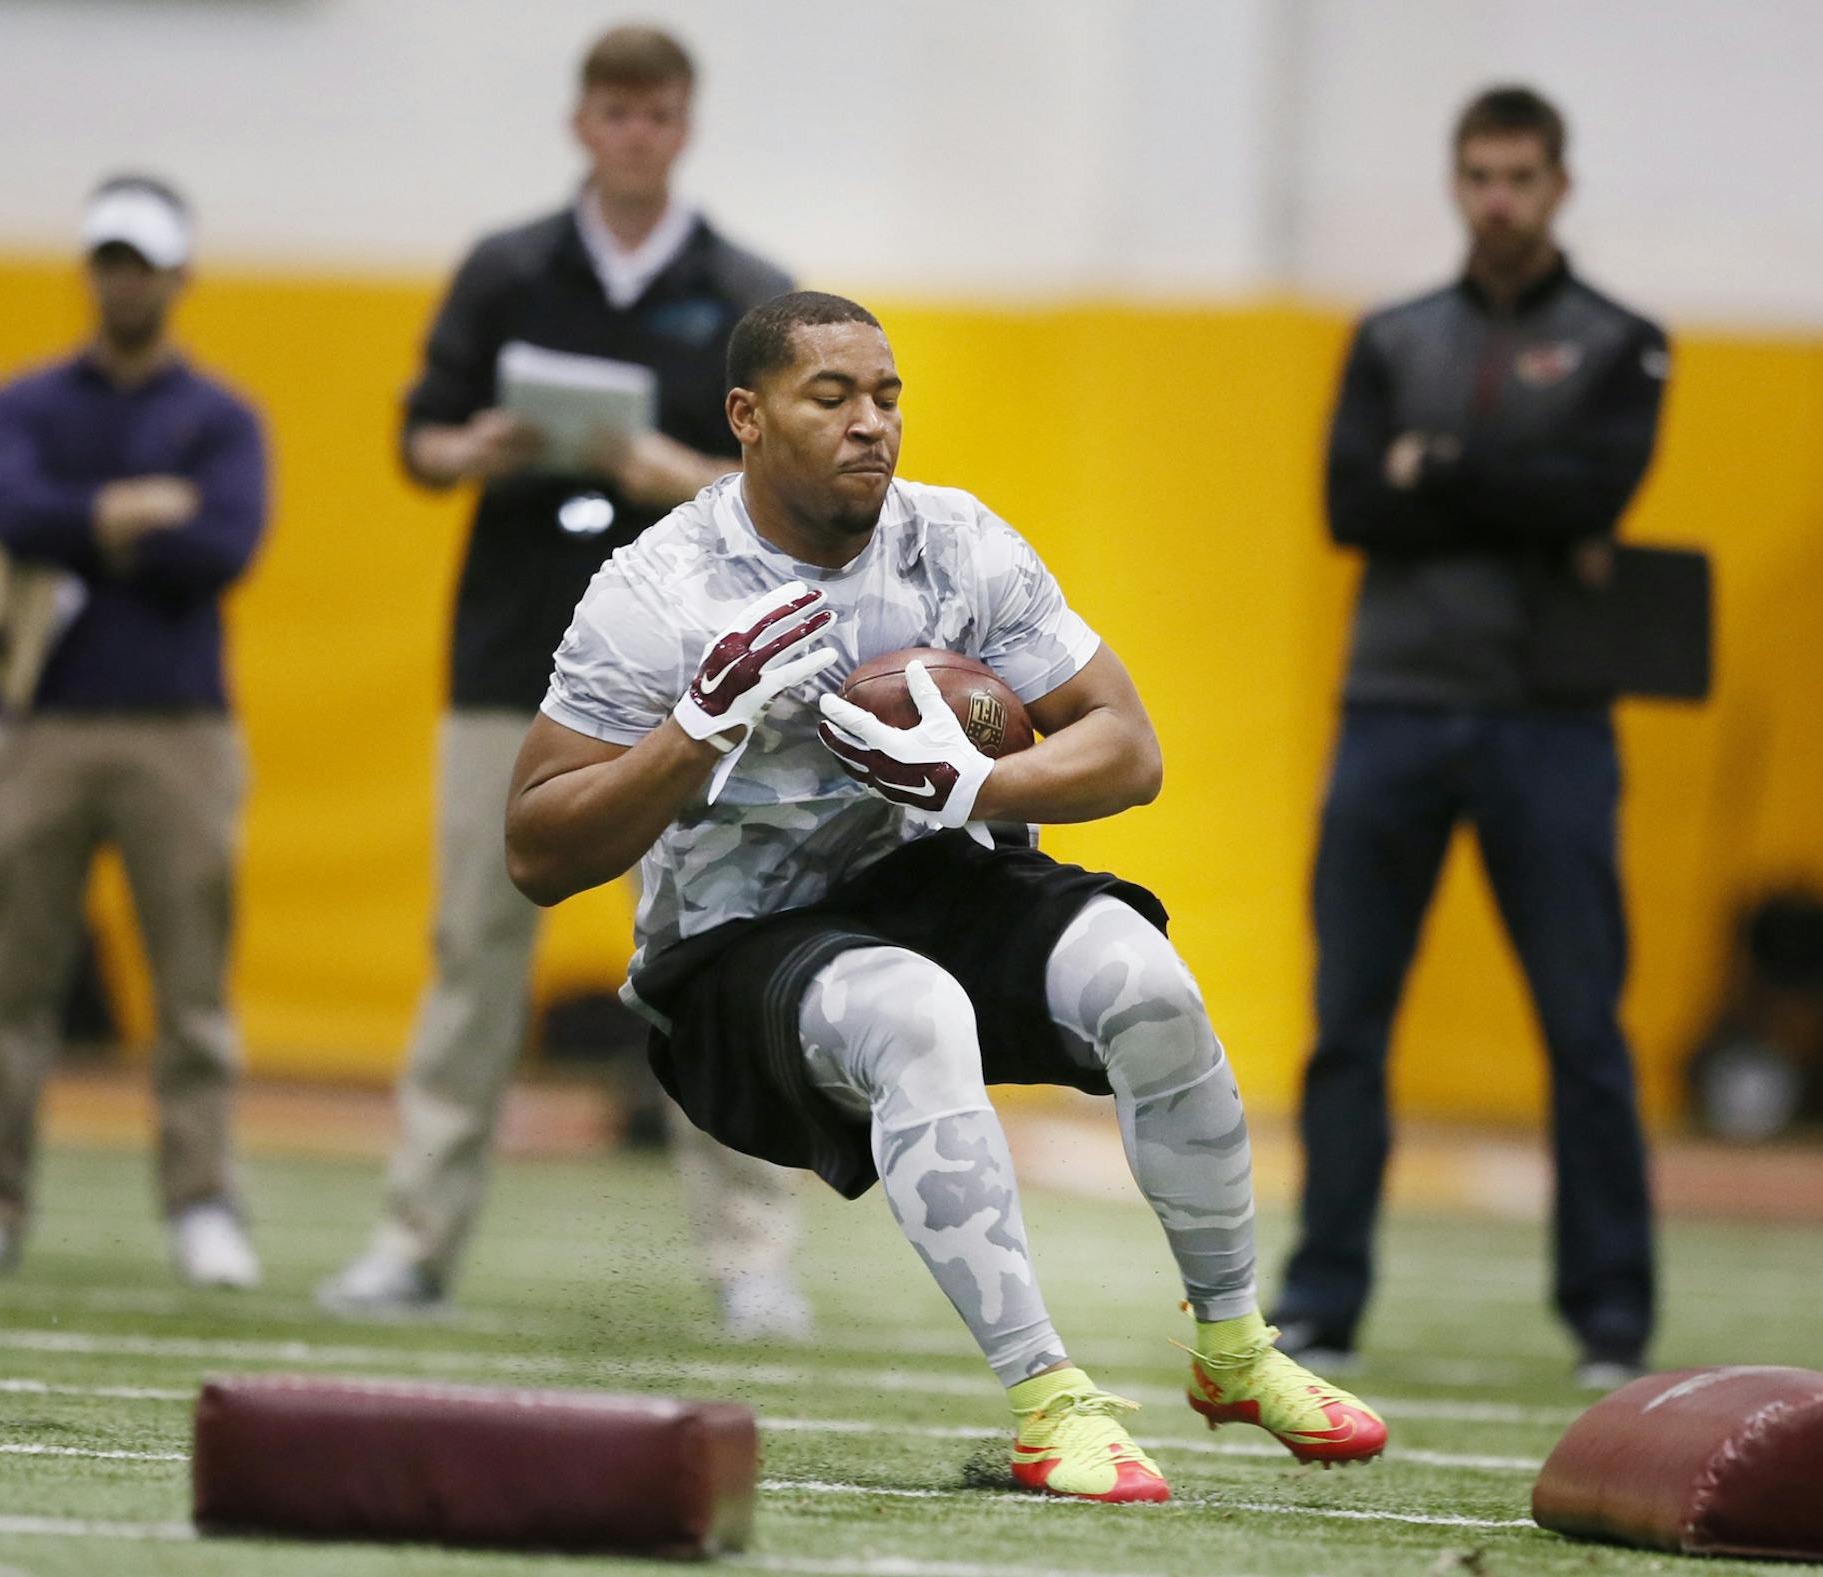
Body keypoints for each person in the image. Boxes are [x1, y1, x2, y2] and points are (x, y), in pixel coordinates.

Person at [503, 289, 1385, 1501]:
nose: (872, 423)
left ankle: (1236, 1348)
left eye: (887, 395)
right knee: (915, 1010)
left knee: (1145, 977)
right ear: (746, 418)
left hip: (929, 871)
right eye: (833, 397)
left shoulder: (954, 541)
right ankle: (1048, 1400)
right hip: (737, 937)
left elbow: (1128, 746)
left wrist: (981, 778)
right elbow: (537, 848)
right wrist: (690, 731)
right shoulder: (659, 590)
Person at [320, 25, 810, 1337]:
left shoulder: (752, 293)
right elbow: (419, 442)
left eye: (656, 113)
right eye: (614, 111)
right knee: (473, 957)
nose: (634, 133)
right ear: (581, 122)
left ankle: (752, 1256)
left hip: (688, 682)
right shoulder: (506, 271)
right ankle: (414, 1244)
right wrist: (476, 444)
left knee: (710, 949)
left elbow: (803, 491)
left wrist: (669, 472)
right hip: (512, 666)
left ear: (684, 125)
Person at [1272, 86, 1669, 1388]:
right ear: (1457, 184)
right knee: (1346, 1024)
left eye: (1519, 176)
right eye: (1477, 175)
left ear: (1559, 185)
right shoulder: (1390, 338)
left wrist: (1433, 472)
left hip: (1548, 723)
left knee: (1584, 1030)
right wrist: (1515, 494)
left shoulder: (1623, 342)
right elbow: (1348, 501)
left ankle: (1610, 1320)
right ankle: (1322, 1298)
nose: (1496, 198)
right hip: (1390, 711)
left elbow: (1596, 487)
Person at [0, 175, 270, 1287]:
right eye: (108, 259)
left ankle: (202, 1200)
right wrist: (127, 509)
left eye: (143, 261)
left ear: (179, 276)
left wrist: (79, 522)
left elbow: (222, 544)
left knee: (191, 991)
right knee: (14, 981)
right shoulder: (23, 402)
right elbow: (3, 508)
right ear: (91, 270)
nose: (124, 279)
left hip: (179, 728)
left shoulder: (218, 416)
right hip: (37, 724)